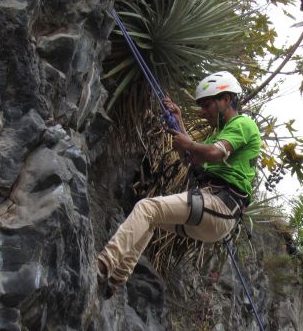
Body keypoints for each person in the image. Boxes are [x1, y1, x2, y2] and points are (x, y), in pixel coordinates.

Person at [95, 71, 261, 298]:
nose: (204, 112)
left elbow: (213, 153)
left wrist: (189, 143)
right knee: (151, 220)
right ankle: (115, 281)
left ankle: (102, 265)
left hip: (221, 205)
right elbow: (192, 160)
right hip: (216, 213)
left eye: (208, 104)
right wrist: (178, 120)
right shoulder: (220, 134)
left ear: (226, 99)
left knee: (147, 208)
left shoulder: (243, 124)